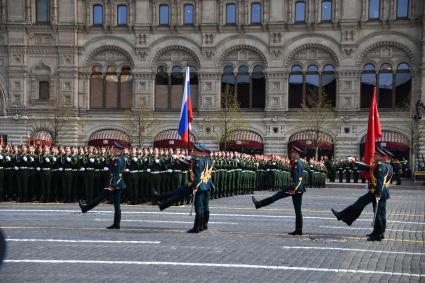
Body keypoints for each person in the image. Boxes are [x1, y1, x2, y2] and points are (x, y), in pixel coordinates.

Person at [330, 146, 394, 241]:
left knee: (376, 212)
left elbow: (380, 181)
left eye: (376, 154)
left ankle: (377, 234)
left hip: (377, 192)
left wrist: (378, 193)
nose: (374, 155)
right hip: (379, 191)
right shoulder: (386, 165)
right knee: (379, 212)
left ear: (383, 156)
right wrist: (355, 162)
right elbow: (369, 168)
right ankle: (379, 232)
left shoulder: (381, 166)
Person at [252, 145, 305, 236]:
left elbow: (297, 178)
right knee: (297, 210)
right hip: (297, 188)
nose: (291, 153)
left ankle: (259, 204)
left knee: (276, 196)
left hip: (294, 188)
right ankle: (298, 229)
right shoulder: (297, 162)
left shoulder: (297, 163)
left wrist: (293, 189)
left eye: (292, 152)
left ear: (296, 153)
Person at [78, 141, 127, 230]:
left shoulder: (117, 160)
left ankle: (85, 208)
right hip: (119, 184)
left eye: (114, 148)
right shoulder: (121, 158)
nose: (112, 149)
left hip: (115, 184)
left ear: (117, 150)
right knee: (116, 205)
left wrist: (112, 185)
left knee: (100, 197)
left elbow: (116, 174)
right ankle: (116, 224)